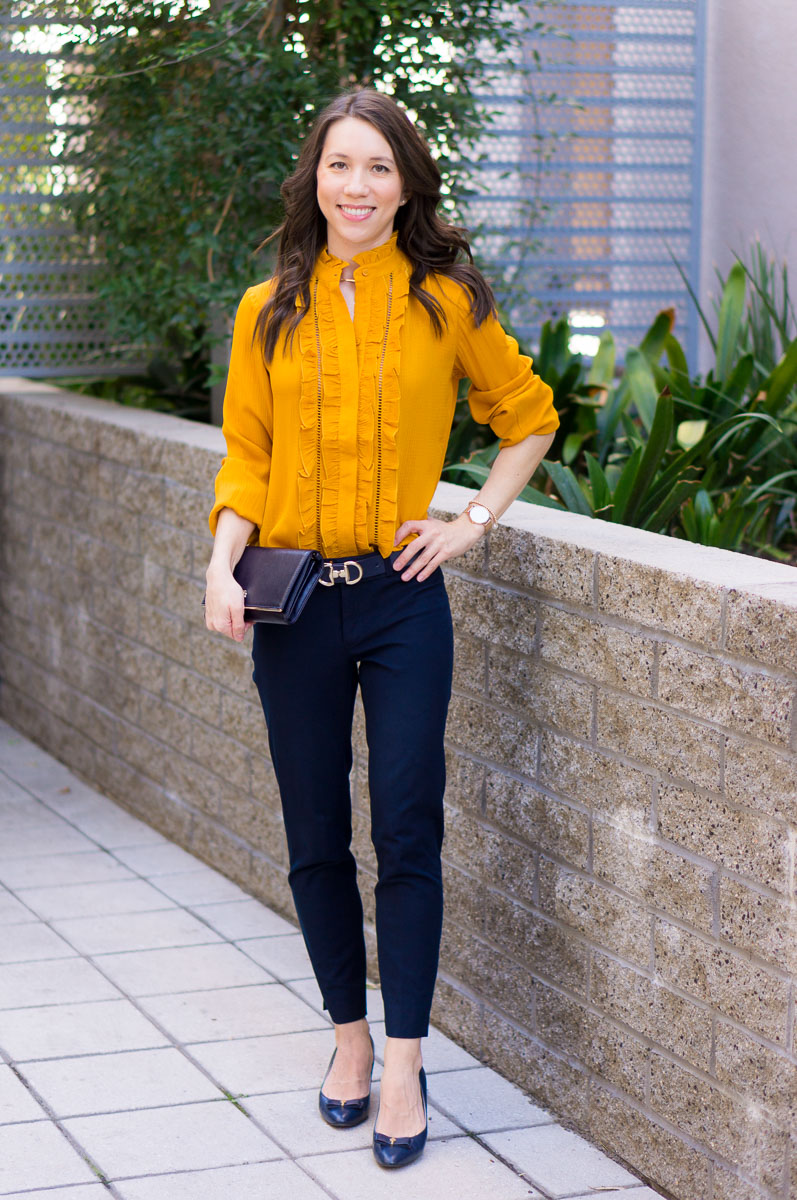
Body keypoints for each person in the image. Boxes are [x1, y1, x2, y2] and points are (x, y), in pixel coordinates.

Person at [204, 87, 558, 1169]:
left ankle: (405, 1060)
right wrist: (217, 562)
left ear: (406, 186)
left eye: (377, 169)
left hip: (404, 599)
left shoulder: (446, 301)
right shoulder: (266, 307)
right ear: (313, 177)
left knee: (408, 824)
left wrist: (470, 522)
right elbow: (247, 460)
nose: (353, 187)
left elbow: (527, 418)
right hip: (295, 601)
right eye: (337, 165)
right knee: (315, 832)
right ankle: (347, 1043)